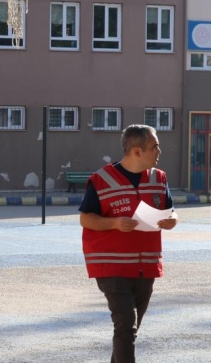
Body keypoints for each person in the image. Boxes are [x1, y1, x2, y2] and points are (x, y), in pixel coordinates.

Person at [79, 124, 178, 363]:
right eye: (154, 147)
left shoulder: (159, 178)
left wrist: (171, 220)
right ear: (137, 151)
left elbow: (172, 212)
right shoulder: (102, 180)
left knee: (129, 329)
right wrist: (114, 224)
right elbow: (85, 218)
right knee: (126, 325)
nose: (159, 151)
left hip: (146, 266)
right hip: (112, 267)